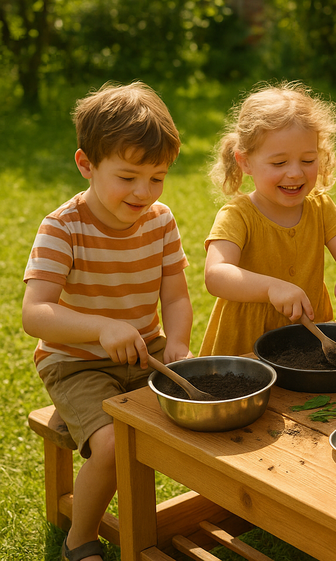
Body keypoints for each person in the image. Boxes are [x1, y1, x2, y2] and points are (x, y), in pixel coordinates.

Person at [21, 82, 192, 561]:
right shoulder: (63, 227)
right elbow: (35, 314)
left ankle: (209, 509)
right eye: (128, 176)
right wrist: (100, 327)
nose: (144, 192)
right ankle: (79, 537)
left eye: (157, 178)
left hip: (145, 352)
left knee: (206, 403)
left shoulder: (160, 220)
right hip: (76, 361)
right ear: (86, 164)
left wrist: (178, 341)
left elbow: (176, 295)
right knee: (114, 442)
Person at [200, 81, 336, 356]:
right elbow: (216, 275)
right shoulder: (238, 215)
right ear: (245, 162)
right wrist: (270, 288)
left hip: (311, 341)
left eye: (308, 160)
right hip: (247, 348)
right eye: (279, 163)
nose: (295, 173)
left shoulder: (320, 207)